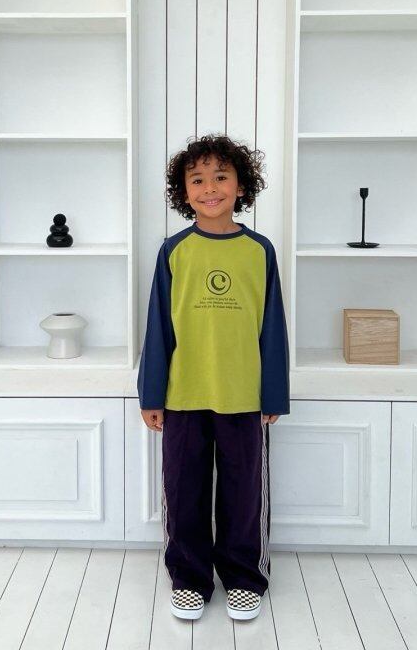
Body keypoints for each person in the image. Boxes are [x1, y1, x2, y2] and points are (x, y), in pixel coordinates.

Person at [137, 134, 290, 622]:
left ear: (241, 185)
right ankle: (189, 578)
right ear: (183, 191)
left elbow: (272, 327)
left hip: (243, 395)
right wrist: (151, 394)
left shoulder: (259, 251)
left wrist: (273, 394)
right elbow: (158, 327)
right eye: (197, 180)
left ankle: (244, 577)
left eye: (221, 177)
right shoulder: (174, 250)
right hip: (183, 394)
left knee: (244, 493)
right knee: (184, 490)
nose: (209, 188)